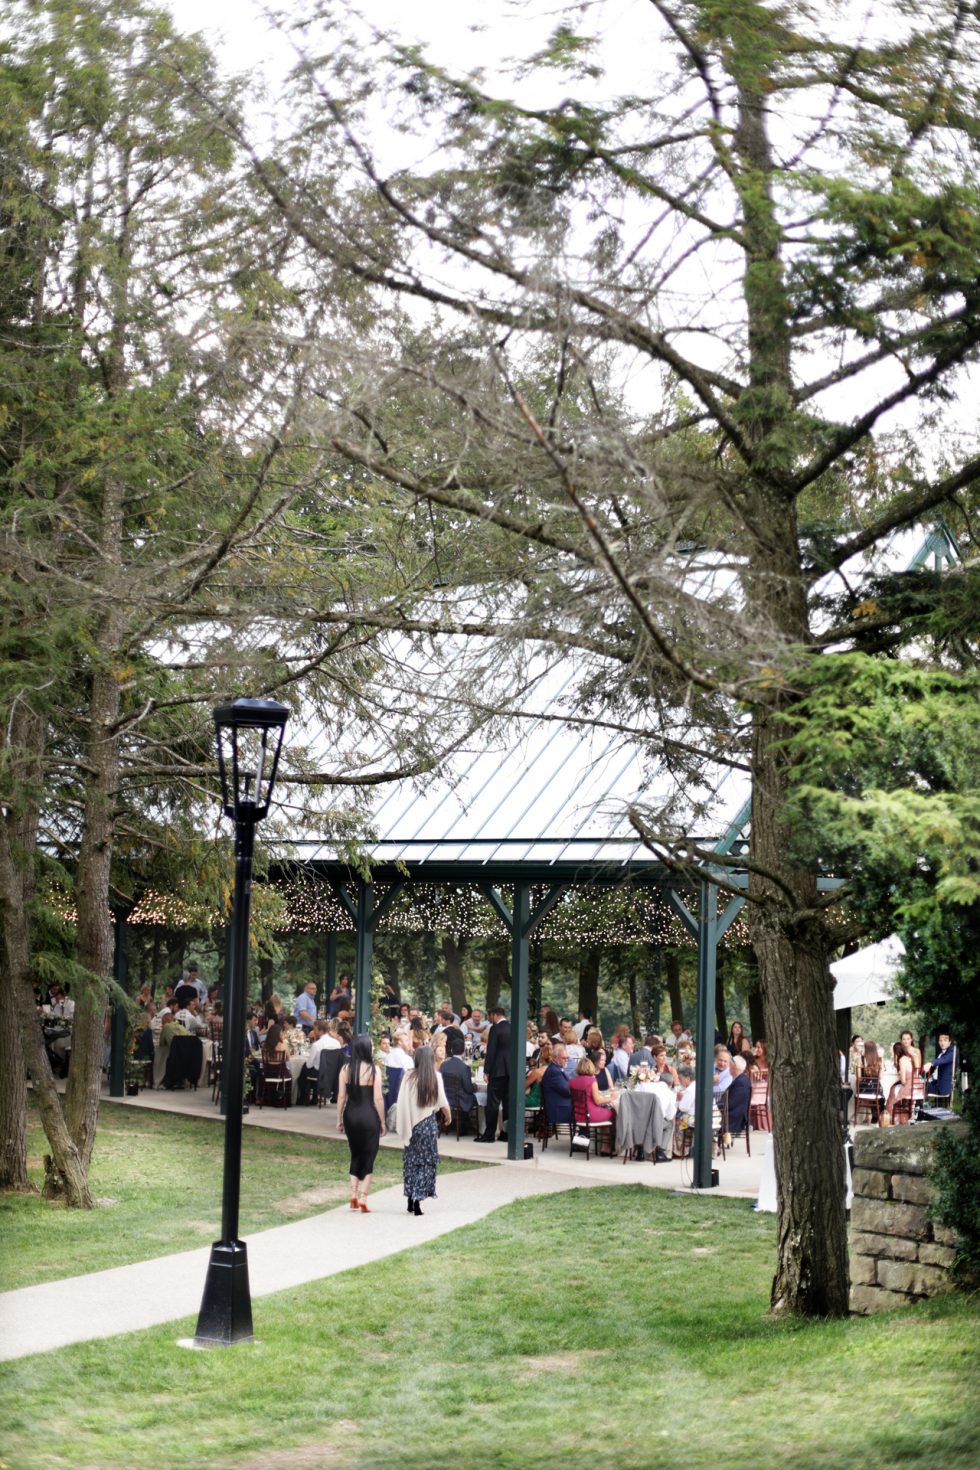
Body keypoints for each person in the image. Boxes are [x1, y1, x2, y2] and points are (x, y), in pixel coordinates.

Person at [397, 1046, 451, 1216]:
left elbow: (402, 1100)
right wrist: (448, 1116)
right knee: (426, 1162)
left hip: (411, 1124)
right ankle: (418, 1200)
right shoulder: (436, 1077)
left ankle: (410, 1198)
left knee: (411, 1161)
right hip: (427, 1125)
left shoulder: (408, 1076)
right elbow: (443, 1102)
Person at [336, 1033, 386, 1211]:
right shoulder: (374, 1070)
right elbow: (378, 1099)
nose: (373, 1048)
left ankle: (353, 1194)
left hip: (350, 1115)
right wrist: (382, 1121)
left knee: (355, 1153)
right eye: (371, 1046)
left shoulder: (345, 1069)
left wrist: (339, 1119)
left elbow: (341, 1097)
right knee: (369, 1156)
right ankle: (363, 1198)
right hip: (368, 1116)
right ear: (366, 1049)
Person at [476, 1006, 510, 1143]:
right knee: (508, 1104)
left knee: (493, 1103)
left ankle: (489, 1134)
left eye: (490, 1016)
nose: (490, 1019)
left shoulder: (495, 1029)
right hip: (511, 1071)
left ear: (496, 1015)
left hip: (498, 1070)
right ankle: (506, 1133)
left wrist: (486, 1070)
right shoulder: (513, 1027)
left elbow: (491, 1050)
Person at [441, 1035, 479, 1121]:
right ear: (463, 1051)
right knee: (480, 1097)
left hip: (445, 1098)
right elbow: (468, 1088)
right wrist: (475, 1086)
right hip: (460, 1101)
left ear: (451, 1050)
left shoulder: (443, 1065)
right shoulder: (464, 1068)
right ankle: (474, 1124)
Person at [924, 1032, 956, 1101]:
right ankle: (918, 1107)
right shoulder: (941, 1054)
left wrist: (930, 1063)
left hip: (942, 1088)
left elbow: (944, 1059)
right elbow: (933, 1069)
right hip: (934, 1082)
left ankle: (918, 1107)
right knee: (917, 1084)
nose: (942, 1043)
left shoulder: (953, 1052)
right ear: (938, 1042)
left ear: (949, 1042)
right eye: (941, 1040)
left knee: (918, 1087)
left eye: (945, 1040)